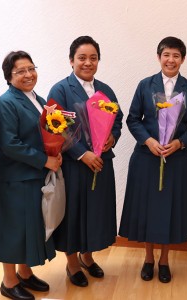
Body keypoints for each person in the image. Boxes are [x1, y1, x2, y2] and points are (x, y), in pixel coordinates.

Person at [119, 36, 187, 283]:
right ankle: (148, 258)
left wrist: (179, 143)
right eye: (166, 54)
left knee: (170, 210)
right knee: (147, 209)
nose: (171, 60)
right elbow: (133, 119)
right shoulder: (145, 85)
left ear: (183, 59)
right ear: (159, 57)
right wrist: (149, 141)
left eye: (176, 55)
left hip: (176, 159)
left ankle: (165, 260)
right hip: (147, 157)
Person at [0, 51, 62, 300]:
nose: (28, 74)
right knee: (11, 229)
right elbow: (9, 144)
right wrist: (45, 159)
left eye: (31, 68)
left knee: (29, 227)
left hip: (33, 176)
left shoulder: (39, 98)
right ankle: (9, 280)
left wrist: (58, 149)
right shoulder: (7, 102)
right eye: (20, 71)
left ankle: (25, 274)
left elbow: (49, 131)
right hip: (13, 178)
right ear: (8, 76)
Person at [48, 36, 123, 287]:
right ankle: (72, 263)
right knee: (74, 213)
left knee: (95, 212)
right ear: (71, 60)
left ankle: (87, 256)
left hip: (102, 163)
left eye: (93, 58)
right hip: (73, 165)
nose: (87, 63)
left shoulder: (105, 90)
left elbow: (118, 119)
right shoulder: (60, 89)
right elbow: (56, 128)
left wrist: (113, 136)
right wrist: (82, 153)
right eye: (82, 58)